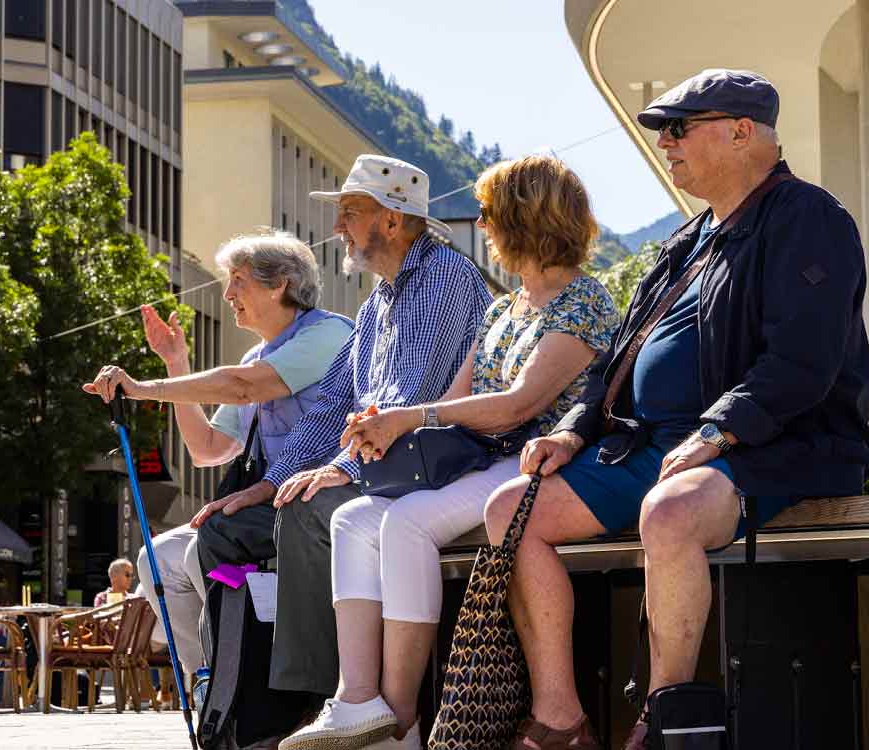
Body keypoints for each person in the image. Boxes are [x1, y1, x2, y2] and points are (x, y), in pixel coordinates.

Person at [479, 70, 869, 750]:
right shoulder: (687, 239)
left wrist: (719, 431)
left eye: (679, 129)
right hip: (656, 448)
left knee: (669, 512)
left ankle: (663, 720)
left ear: (741, 132)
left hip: (776, 446)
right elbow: (613, 361)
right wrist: (572, 432)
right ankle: (561, 719)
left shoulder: (809, 218)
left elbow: (802, 360)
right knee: (510, 510)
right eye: (664, 132)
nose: (665, 143)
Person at [283, 156, 620, 750]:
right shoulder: (503, 308)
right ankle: (356, 700)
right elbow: (455, 401)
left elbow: (517, 406)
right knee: (352, 519)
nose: (481, 225)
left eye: (489, 213)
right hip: (482, 462)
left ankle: (400, 723)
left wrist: (409, 418)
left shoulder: (582, 302)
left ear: (525, 217)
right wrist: (383, 427)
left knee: (407, 522)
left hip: (533, 464)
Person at [196, 155, 492, 736]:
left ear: (392, 220)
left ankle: (320, 703)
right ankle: (242, 705)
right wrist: (269, 481)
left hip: (435, 465)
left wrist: (340, 468)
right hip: (380, 464)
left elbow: (410, 395)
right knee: (225, 529)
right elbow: (335, 401)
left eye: (350, 213)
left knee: (309, 509)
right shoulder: (377, 302)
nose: (338, 229)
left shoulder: (443, 277)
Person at [84, 228, 354, 682]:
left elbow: (244, 387)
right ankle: (209, 681)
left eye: (238, 281)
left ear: (280, 284)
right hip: (269, 502)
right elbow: (207, 448)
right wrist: (176, 363)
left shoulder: (328, 334)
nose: (228, 294)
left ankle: (239, 680)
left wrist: (144, 388)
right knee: (156, 560)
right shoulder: (255, 356)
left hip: (317, 501)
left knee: (204, 547)